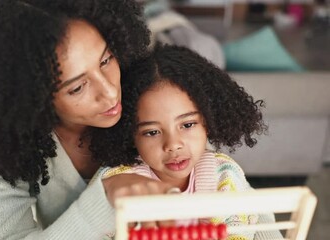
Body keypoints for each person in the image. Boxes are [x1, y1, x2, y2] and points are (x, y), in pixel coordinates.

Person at [0, 0, 175, 239]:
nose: (110, 92)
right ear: (32, 97)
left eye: (106, 60)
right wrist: (102, 200)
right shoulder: (9, 146)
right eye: (77, 88)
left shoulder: (155, 101)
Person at [90, 45, 282, 239]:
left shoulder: (225, 176)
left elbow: (250, 227)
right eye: (152, 132)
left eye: (188, 124)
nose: (173, 144)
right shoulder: (118, 186)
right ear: (130, 135)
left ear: (208, 121)